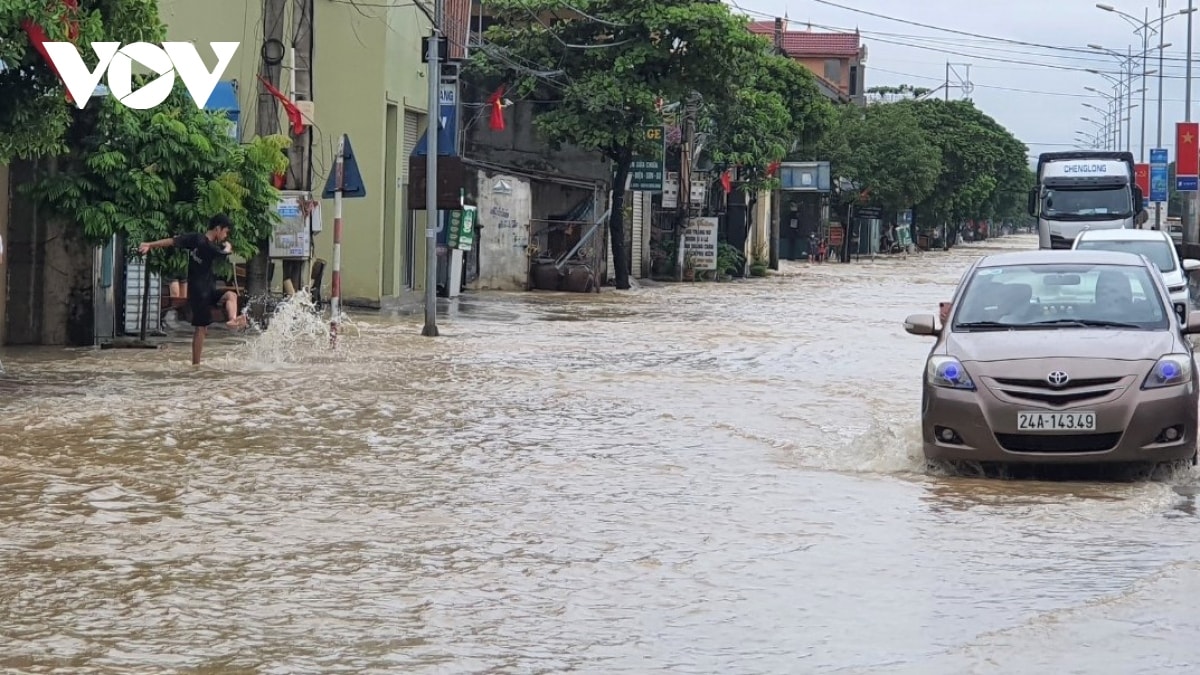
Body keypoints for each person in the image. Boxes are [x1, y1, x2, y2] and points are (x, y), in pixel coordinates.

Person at [138, 214, 247, 365]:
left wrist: (150, 244)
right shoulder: (209, 247)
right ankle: (196, 364)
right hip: (199, 294)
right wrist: (228, 248)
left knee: (230, 295)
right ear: (218, 228)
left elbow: (172, 241)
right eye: (225, 232)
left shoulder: (195, 238)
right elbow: (223, 253)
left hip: (207, 290)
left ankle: (232, 320)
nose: (225, 236)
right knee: (201, 329)